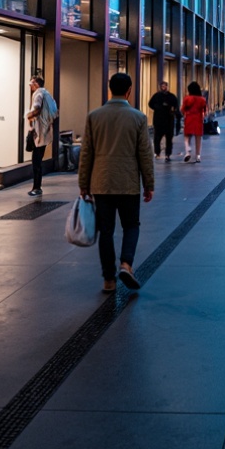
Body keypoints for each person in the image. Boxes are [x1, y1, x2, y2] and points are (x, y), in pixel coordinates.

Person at [78, 72, 154, 292]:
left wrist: (83, 184)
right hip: (128, 183)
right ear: (129, 90)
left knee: (106, 231)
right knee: (131, 225)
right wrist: (149, 184)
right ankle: (126, 264)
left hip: (101, 182)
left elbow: (86, 153)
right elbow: (145, 155)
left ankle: (108, 280)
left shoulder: (94, 116)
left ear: (109, 89)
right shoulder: (138, 118)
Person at [25, 75, 58, 197]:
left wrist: (29, 115)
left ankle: (37, 187)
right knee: (38, 160)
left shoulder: (38, 94)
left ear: (37, 84)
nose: (30, 85)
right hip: (46, 131)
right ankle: (37, 187)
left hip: (39, 132)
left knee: (36, 162)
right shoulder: (47, 94)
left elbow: (37, 109)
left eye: (32, 83)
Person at [148, 80, 179, 161]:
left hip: (169, 120)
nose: (163, 88)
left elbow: (176, 106)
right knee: (157, 137)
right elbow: (150, 104)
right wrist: (157, 108)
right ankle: (157, 152)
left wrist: (173, 111)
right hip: (159, 120)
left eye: (165, 86)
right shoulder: (157, 96)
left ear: (167, 87)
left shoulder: (171, 97)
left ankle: (168, 154)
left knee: (169, 138)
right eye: (162, 86)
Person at [181, 81, 207, 163]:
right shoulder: (202, 99)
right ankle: (198, 156)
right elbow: (204, 109)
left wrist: (184, 114)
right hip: (198, 119)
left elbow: (182, 109)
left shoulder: (187, 98)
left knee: (187, 135)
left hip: (189, 118)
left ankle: (187, 150)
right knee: (198, 137)